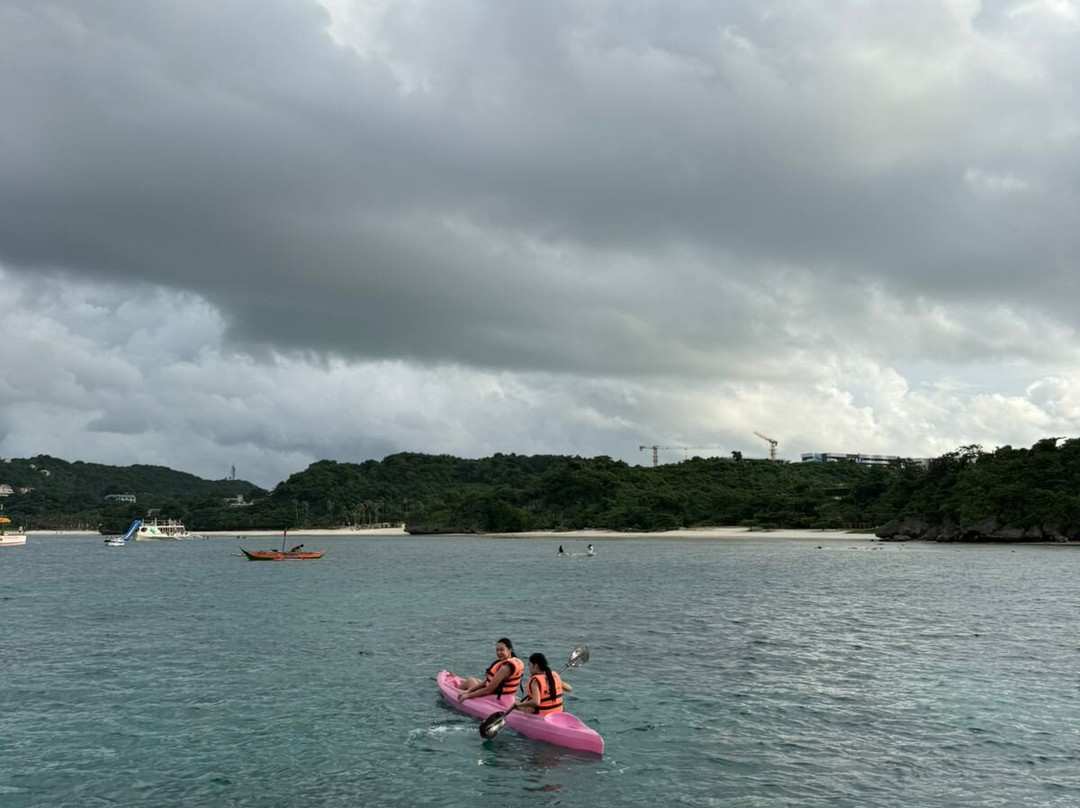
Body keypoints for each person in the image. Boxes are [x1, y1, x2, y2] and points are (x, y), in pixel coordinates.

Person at [454, 637, 524, 703]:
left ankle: (455, 691)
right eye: (497, 650)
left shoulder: (505, 668)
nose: (498, 653)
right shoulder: (514, 662)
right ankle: (461, 688)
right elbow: (488, 681)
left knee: (470, 681)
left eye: (502, 650)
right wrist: (469, 691)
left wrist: (468, 695)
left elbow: (488, 690)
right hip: (507, 696)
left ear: (509, 650)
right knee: (475, 680)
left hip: (497, 697)